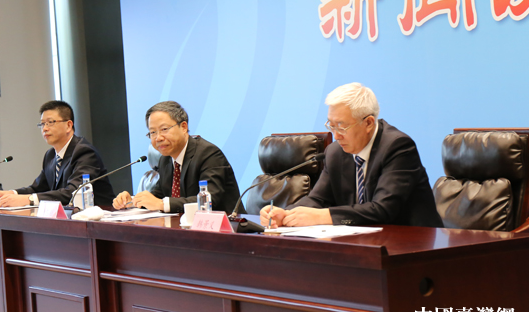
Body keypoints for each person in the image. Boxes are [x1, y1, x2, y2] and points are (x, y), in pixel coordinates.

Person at [260, 83, 443, 228]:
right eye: (331, 125)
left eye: (342, 126)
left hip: (414, 245)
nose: (336, 135)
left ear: (369, 123)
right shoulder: (335, 152)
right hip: (363, 241)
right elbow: (318, 199)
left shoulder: (398, 147)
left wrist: (324, 216)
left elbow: (383, 209)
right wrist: (286, 214)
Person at [113, 101, 244, 214]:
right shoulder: (165, 159)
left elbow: (209, 201)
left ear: (183, 127)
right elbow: (158, 196)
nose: (158, 138)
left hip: (227, 229)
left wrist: (161, 204)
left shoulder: (208, 154)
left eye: (164, 129)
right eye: (153, 132)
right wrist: (132, 201)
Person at [0, 100, 115, 207]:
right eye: (42, 124)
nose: (45, 128)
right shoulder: (50, 155)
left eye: (50, 122)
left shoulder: (85, 152)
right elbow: (38, 188)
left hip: (100, 219)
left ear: (68, 125)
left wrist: (28, 200)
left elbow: (74, 192)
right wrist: (12, 193)